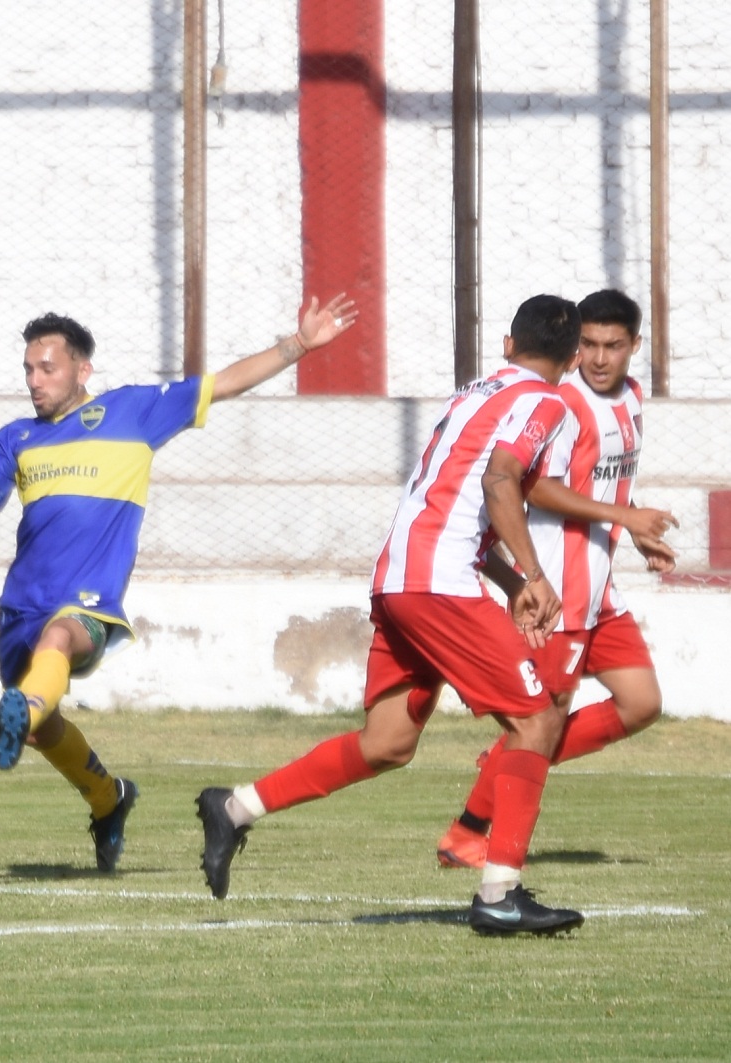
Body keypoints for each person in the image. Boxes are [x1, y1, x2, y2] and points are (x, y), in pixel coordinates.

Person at [0, 295, 357, 872]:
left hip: (88, 605)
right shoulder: (15, 439)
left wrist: (298, 345)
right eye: (28, 370)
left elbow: (221, 385)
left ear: (82, 370)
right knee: (42, 730)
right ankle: (109, 798)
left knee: (59, 640)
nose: (35, 381)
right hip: (20, 606)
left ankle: (26, 706)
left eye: (48, 368)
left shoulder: (132, 412)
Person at [195, 294, 588, 936]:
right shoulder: (546, 403)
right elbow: (499, 484)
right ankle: (500, 894)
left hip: (400, 577)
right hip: (438, 584)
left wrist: (513, 581)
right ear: (571, 361)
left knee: (386, 743)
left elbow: (461, 505)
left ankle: (235, 807)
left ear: (508, 345)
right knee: (537, 719)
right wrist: (537, 577)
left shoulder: (474, 394)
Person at [436, 289, 677, 868]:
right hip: (559, 593)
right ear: (574, 348)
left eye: (613, 345)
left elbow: (603, 481)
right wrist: (625, 518)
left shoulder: (632, 398)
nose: (599, 358)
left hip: (600, 590)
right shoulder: (562, 404)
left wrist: (634, 528)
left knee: (641, 703)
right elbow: (538, 487)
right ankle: (467, 833)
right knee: (542, 721)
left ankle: (509, 760)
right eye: (588, 344)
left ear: (634, 345)